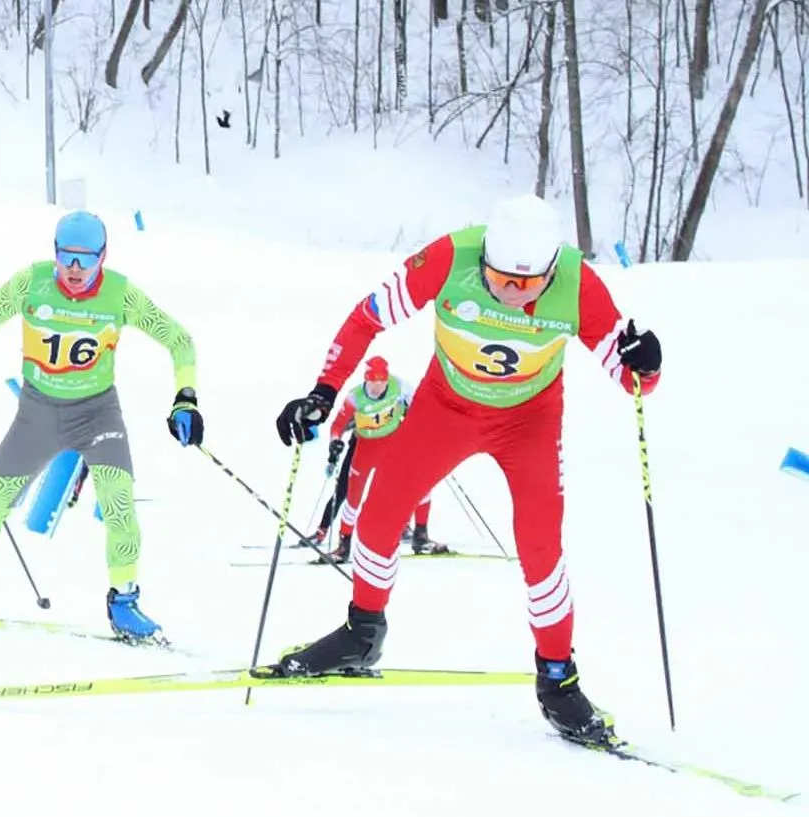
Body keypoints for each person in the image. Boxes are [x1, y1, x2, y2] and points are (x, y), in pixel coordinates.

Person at [264, 194, 663, 745]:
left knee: (540, 544)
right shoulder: (451, 257)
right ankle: (362, 633)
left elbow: (630, 374)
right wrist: (324, 392)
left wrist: (646, 362)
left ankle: (557, 679)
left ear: (551, 268)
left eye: (528, 286)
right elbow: (366, 318)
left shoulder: (578, 282)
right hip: (444, 408)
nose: (511, 293)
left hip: (529, 420)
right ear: (485, 260)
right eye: (500, 279)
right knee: (379, 515)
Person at [0, 211, 202, 641]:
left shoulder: (120, 295)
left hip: (97, 412)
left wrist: (185, 398)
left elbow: (179, 340)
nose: (74, 270)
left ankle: (124, 602)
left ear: (102, 257)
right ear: (54, 253)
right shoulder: (29, 283)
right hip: (38, 412)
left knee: (118, 500)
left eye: (85, 260)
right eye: (66, 258)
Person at [313, 356, 448, 564]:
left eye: (382, 382)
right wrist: (335, 443)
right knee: (353, 497)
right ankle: (344, 546)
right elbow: (337, 426)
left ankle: (421, 537)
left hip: (394, 444)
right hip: (366, 449)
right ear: (366, 380)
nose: (378, 387)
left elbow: (420, 405)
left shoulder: (400, 386)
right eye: (373, 383)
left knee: (421, 483)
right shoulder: (354, 397)